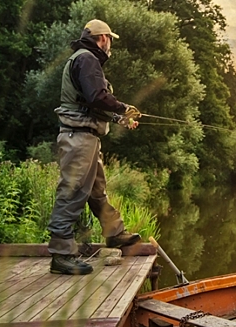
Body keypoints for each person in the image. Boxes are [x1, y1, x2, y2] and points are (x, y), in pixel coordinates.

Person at [47, 19, 142, 275]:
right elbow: (98, 97)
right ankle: (61, 254)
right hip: (78, 138)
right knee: (72, 192)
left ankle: (115, 234)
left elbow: (89, 103)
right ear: (103, 38)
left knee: (97, 193)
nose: (110, 45)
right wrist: (123, 108)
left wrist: (120, 118)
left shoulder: (83, 59)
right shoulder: (87, 58)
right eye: (110, 39)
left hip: (85, 137)